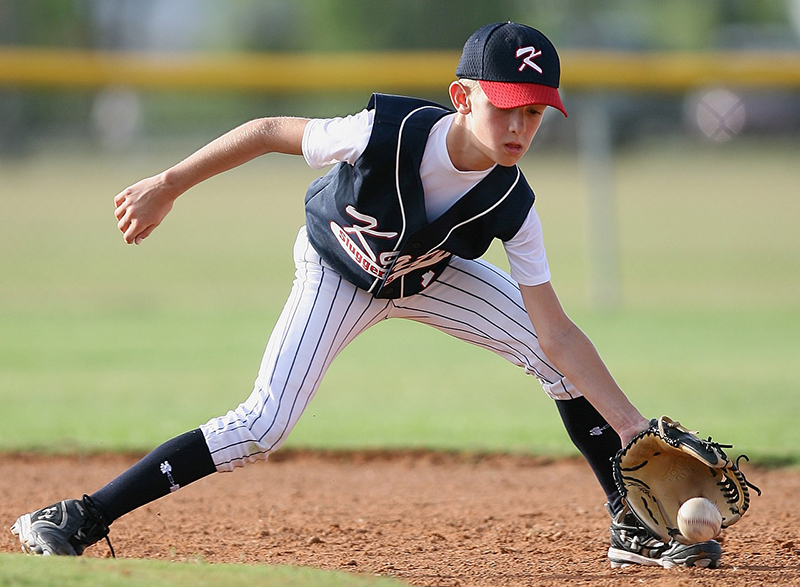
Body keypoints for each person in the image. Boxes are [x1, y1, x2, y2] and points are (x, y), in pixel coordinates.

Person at [10, 22, 722, 569]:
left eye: (534, 113)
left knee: (557, 363)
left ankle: (629, 524)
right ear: (463, 97)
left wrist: (633, 427)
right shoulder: (385, 133)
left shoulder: (515, 203)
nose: (517, 127)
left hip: (427, 275)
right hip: (335, 268)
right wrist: (166, 184)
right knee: (263, 423)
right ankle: (78, 515)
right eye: (505, 106)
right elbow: (265, 132)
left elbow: (556, 331)